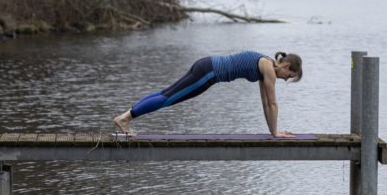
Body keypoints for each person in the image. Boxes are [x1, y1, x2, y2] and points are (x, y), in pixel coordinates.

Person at [113, 51, 302, 138]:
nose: (285, 80)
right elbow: (272, 104)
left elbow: (265, 103)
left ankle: (127, 117)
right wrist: (276, 133)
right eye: (289, 76)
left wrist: (272, 131)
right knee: (167, 99)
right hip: (208, 73)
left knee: (165, 94)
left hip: (205, 66)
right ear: (285, 66)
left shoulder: (265, 64)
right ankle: (126, 118)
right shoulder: (268, 68)